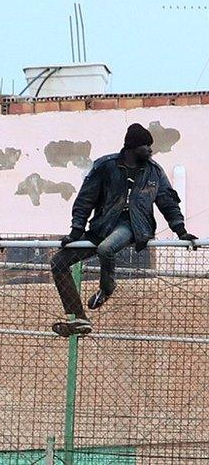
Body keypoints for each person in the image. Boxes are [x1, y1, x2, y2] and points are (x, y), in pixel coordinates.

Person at [51, 123, 197, 336]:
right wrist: (76, 231)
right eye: (146, 145)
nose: (150, 150)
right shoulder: (105, 166)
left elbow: (168, 202)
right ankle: (79, 318)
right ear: (132, 147)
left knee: (106, 249)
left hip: (134, 227)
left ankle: (107, 288)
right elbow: (85, 199)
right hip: (102, 226)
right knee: (58, 262)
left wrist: (181, 231)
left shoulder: (154, 171)